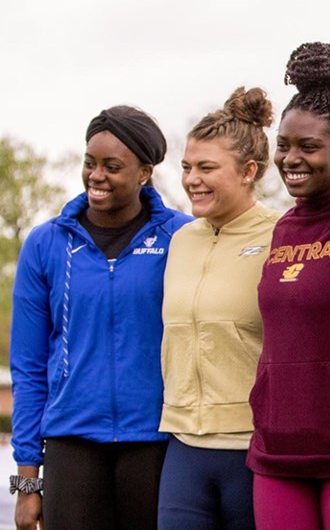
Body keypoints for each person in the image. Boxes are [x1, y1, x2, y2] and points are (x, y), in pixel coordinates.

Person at [10, 106, 190, 530]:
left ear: (145, 172)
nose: (96, 176)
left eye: (112, 166)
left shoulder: (182, 238)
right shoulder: (45, 244)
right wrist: (26, 483)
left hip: (158, 439)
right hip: (72, 444)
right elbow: (29, 367)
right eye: (89, 163)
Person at [247, 42, 330, 530]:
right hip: (276, 450)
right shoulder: (283, 228)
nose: (290, 158)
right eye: (284, 145)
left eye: (308, 147)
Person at [157, 87, 281, 530]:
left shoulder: (280, 236)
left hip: (252, 448)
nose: (192, 179)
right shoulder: (181, 240)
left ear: (248, 171)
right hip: (183, 446)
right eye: (187, 167)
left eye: (207, 168)